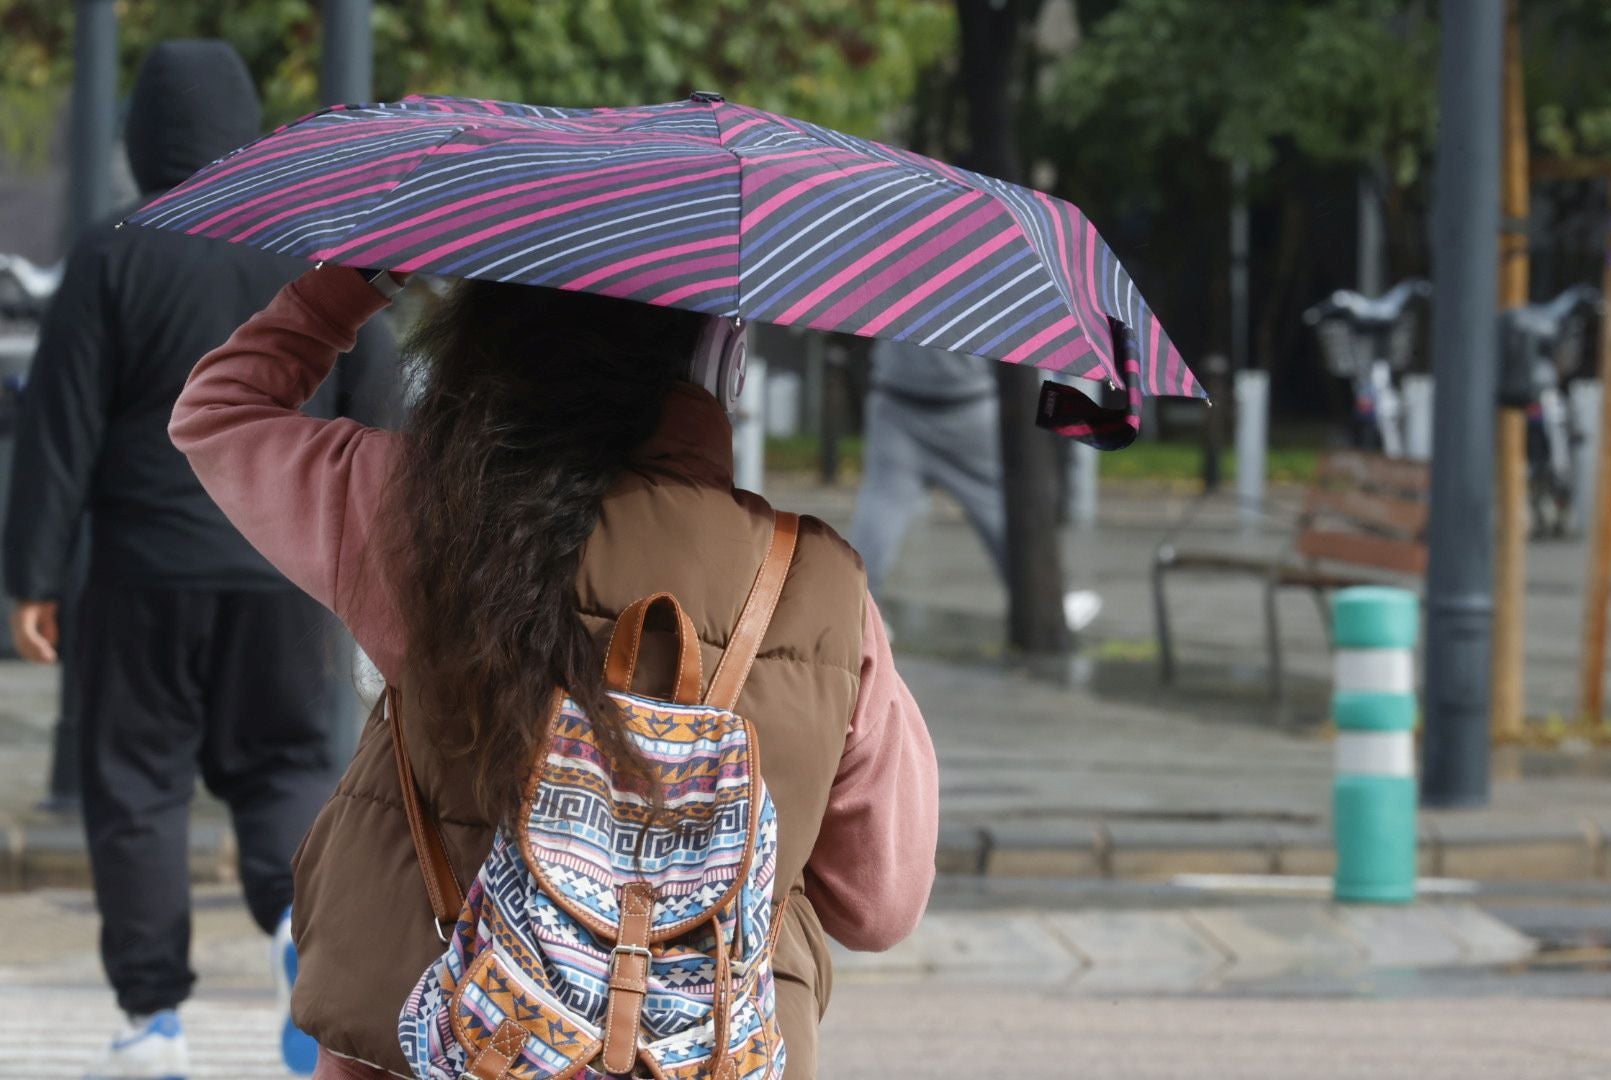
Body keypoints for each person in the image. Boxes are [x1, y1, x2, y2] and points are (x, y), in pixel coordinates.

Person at [167, 265, 940, 1080]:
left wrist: (356, 279)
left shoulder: (422, 512)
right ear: (718, 360)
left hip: (443, 1039)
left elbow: (220, 412)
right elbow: (878, 903)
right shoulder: (818, 585)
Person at [2, 41, 396, 1080]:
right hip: (290, 572)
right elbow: (380, 407)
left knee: (135, 785)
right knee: (282, 766)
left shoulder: (114, 250)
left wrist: (32, 576)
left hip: (141, 570)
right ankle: (291, 930)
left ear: (143, 134)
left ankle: (153, 1028)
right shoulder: (311, 249)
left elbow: (60, 425)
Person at [850, 337, 1101, 632]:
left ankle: (850, 612)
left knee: (880, 509)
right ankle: (1046, 602)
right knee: (1000, 512)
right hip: (964, 404)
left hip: (899, 400)